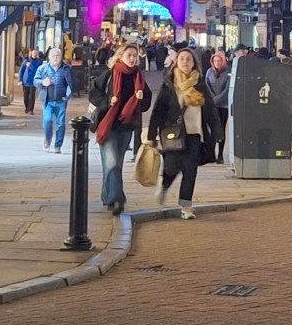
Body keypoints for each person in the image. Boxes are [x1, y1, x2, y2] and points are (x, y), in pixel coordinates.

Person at [147, 47, 223, 219]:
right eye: (182, 59)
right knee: (172, 167)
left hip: (195, 133)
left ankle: (186, 206)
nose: (185, 63)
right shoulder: (169, 84)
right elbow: (158, 110)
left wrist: (217, 131)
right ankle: (164, 184)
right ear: (176, 62)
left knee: (190, 170)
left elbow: (210, 109)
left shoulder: (200, 83)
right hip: (173, 133)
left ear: (194, 63)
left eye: (189, 59)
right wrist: (152, 135)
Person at [89, 41, 151, 216]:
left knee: (115, 164)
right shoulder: (110, 74)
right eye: (129, 55)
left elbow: (146, 104)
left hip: (126, 126)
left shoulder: (138, 77)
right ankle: (117, 199)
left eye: (134, 56)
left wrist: (142, 97)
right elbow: (94, 93)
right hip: (108, 125)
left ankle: (106, 195)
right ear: (121, 56)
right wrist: (108, 101)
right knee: (112, 163)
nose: (132, 59)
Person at [33, 47, 73, 153]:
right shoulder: (43, 69)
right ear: (49, 57)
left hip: (61, 101)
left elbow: (70, 83)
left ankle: (58, 145)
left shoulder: (66, 68)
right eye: (53, 56)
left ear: (61, 57)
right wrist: (42, 82)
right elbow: (35, 80)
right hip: (47, 101)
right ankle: (48, 138)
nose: (55, 58)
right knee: (47, 120)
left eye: (58, 56)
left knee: (60, 124)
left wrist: (68, 95)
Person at [204, 50, 230, 163]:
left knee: (221, 129)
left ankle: (220, 155)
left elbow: (227, 89)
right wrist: (211, 100)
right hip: (211, 106)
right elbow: (206, 86)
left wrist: (217, 99)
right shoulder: (209, 72)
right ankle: (211, 154)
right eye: (215, 60)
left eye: (219, 60)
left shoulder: (228, 72)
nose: (217, 62)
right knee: (212, 129)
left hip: (223, 106)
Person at [18, 48, 41, 115]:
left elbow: (37, 71)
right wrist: (20, 79)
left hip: (33, 82)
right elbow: (21, 70)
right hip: (25, 81)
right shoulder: (26, 61)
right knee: (25, 96)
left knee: (32, 96)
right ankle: (27, 108)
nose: (34, 55)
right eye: (33, 53)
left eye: (35, 54)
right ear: (31, 54)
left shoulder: (38, 62)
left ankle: (31, 109)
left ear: (37, 55)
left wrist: (30, 66)